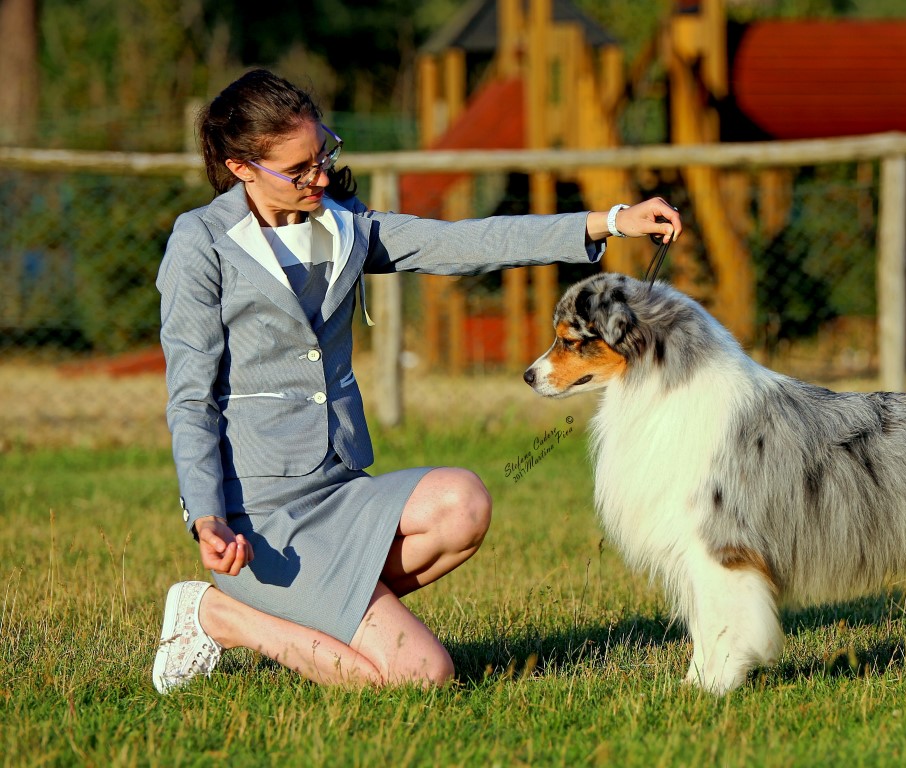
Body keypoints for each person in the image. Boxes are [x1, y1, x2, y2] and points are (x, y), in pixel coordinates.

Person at [151, 68, 681, 693]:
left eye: (323, 155)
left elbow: (461, 242)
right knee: (422, 678)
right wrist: (206, 515)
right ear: (243, 169)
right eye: (298, 171)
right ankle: (221, 615)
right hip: (259, 518)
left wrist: (611, 221)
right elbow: (190, 398)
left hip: (340, 489)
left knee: (463, 505)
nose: (318, 176)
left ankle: (318, 609)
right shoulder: (201, 242)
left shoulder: (342, 224)